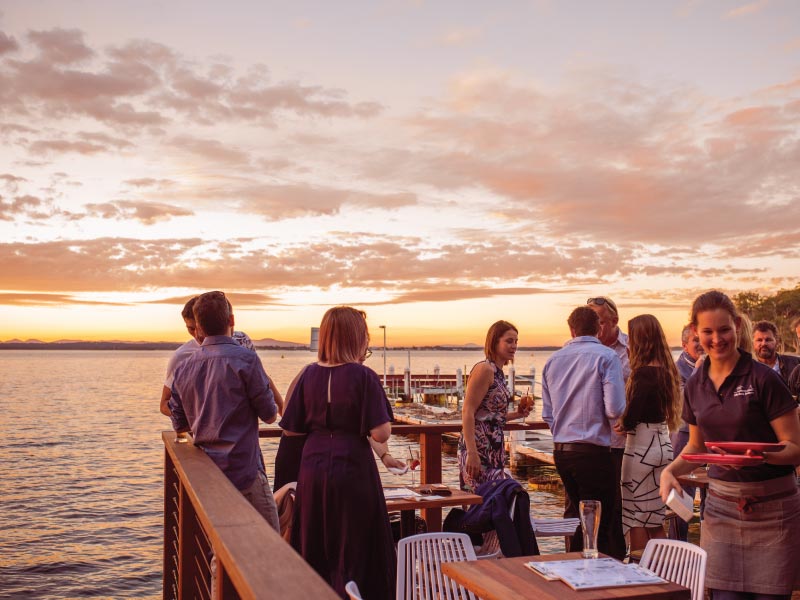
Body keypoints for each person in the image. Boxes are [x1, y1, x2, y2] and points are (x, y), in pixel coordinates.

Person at [660, 290, 800, 599]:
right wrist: (669, 471)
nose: (717, 338)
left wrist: (759, 456)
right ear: (695, 332)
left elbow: (795, 448)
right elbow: (696, 447)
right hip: (721, 510)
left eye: (724, 329)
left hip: (773, 509)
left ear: (737, 325)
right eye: (707, 331)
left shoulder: (765, 379)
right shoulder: (695, 385)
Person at [279, 307, 395, 599]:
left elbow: (291, 429)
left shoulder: (308, 375)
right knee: (356, 543)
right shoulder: (363, 376)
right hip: (352, 466)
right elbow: (380, 433)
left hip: (313, 466)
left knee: (317, 541)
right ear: (357, 338)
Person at [169, 291, 280, 531]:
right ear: (231, 320)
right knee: (269, 538)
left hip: (207, 472)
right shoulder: (247, 360)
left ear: (198, 327)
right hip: (245, 470)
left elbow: (179, 424)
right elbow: (270, 415)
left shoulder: (183, 367)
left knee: (221, 540)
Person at [541, 306, 626, 559]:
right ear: (599, 327)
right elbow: (614, 408)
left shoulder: (553, 360)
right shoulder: (606, 356)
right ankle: (601, 582)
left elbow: (547, 413)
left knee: (581, 518)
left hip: (562, 452)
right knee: (603, 522)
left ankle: (576, 571)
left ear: (571, 329)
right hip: (594, 451)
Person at [273, 354, 406, 492]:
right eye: (363, 350)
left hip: (324, 463)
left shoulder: (355, 377)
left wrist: (385, 456)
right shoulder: (309, 374)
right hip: (299, 459)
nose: (364, 357)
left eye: (366, 352)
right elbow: (289, 425)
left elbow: (370, 426)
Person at [615, 314, 681, 553]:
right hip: (662, 444)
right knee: (654, 516)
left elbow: (632, 415)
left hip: (641, 448)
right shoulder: (667, 370)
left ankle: (642, 574)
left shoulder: (642, 374)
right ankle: (665, 571)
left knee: (635, 516)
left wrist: (622, 422)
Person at [159, 296, 283, 417]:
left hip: (241, 431)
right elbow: (165, 403)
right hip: (200, 434)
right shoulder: (181, 356)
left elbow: (262, 379)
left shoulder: (242, 340)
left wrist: (284, 411)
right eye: (191, 329)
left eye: (199, 327)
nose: (198, 334)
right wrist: (195, 417)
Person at [458, 320, 532, 492]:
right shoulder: (485, 369)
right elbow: (468, 411)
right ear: (494, 342)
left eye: (516, 342)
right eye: (509, 341)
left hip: (494, 450)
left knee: (494, 504)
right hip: (478, 449)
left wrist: (518, 414)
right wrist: (472, 452)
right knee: (479, 503)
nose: (514, 346)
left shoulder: (499, 374)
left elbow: (490, 416)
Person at [586, 295, 628, 558]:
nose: (596, 328)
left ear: (614, 321)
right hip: (590, 442)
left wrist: (629, 415)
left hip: (621, 441)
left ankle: (616, 564)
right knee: (585, 507)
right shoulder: (582, 350)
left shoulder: (632, 349)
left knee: (617, 509)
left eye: (600, 322)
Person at [669, 323, 704, 541]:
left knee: (712, 492)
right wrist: (699, 371)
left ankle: (707, 541)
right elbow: (684, 405)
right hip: (685, 436)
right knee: (682, 493)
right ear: (684, 345)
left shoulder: (716, 364)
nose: (701, 344)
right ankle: (677, 544)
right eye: (696, 340)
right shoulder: (676, 370)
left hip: (712, 437)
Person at [752, 320, 800, 386]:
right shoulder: (747, 370)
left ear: (777, 342)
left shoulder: (795, 364)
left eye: (768, 340)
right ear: (753, 343)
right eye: (759, 340)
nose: (764, 344)